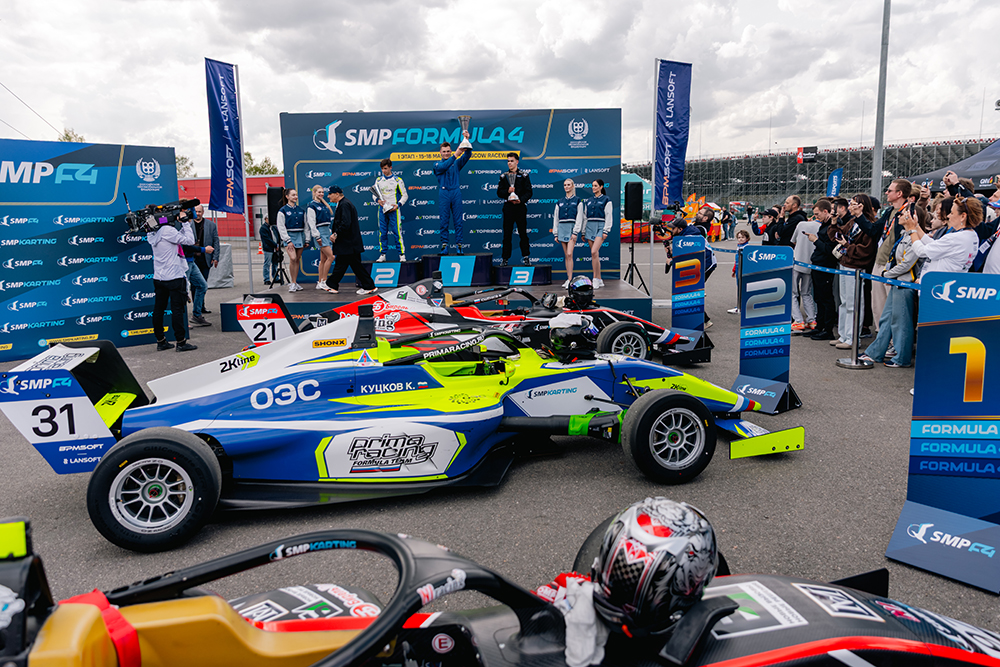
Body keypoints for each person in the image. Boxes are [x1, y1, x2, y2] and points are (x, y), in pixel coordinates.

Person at [861, 205, 926, 368]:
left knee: (901, 322)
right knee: (886, 319)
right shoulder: (904, 234)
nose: (899, 216)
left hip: (904, 284)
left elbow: (907, 264)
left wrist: (886, 274)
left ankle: (902, 358)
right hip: (897, 281)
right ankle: (875, 352)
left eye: (903, 213)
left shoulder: (915, 237)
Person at [829, 194, 878, 350]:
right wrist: (834, 222)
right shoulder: (852, 222)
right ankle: (844, 335)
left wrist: (847, 246)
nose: (850, 206)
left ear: (862, 206)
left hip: (856, 266)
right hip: (845, 262)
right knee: (844, 301)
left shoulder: (869, 224)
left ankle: (852, 337)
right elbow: (837, 235)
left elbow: (866, 250)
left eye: (854, 204)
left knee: (854, 303)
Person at [149, 211, 197, 352]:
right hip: (174, 277)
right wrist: (185, 223)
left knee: (159, 309)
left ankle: (161, 341)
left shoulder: (152, 233)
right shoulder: (168, 230)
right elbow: (190, 240)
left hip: (159, 278)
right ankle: (181, 342)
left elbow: (178, 238)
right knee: (177, 310)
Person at [904, 195, 981, 281]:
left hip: (938, 285)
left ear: (963, 216)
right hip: (952, 282)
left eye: (952, 213)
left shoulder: (955, 238)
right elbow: (935, 245)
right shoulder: (972, 235)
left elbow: (921, 251)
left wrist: (911, 230)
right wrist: (916, 226)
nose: (948, 216)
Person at [325, 185, 377, 295]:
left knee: (348, 265)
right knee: (346, 265)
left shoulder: (344, 204)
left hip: (348, 243)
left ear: (337, 194)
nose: (328, 196)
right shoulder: (343, 203)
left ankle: (333, 284)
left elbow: (346, 223)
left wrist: (335, 234)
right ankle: (332, 285)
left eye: (330, 194)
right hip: (348, 243)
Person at [804, 200, 838, 340]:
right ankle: (820, 326)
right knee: (818, 297)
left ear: (825, 211)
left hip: (825, 265)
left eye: (817, 214)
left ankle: (828, 330)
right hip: (818, 264)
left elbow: (829, 249)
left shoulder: (832, 227)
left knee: (826, 298)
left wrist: (815, 240)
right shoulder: (824, 224)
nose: (816, 217)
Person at [433, 131, 472, 255]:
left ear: (450, 151)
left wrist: (466, 140)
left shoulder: (456, 163)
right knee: (444, 221)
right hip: (444, 193)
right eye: (444, 151)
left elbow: (467, 155)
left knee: (458, 221)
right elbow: (444, 166)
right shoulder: (437, 164)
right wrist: (455, 154)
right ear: (440, 152)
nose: (446, 153)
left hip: (455, 192)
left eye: (448, 151)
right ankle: (444, 246)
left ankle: (459, 245)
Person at [497, 152, 532, 267]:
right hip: (508, 207)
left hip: (520, 207)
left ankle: (526, 257)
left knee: (523, 233)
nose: (509, 163)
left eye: (511, 161)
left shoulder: (524, 176)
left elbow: (529, 192)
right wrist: (507, 191)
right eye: (508, 161)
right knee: (507, 234)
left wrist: (520, 200)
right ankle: (505, 259)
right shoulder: (503, 176)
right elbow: (499, 192)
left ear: (517, 162)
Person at [789, 208, 820, 331]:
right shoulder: (821, 227)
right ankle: (811, 320)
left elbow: (793, 241)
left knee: (792, 293)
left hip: (797, 261)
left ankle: (798, 320)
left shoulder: (801, 224)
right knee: (806, 293)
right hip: (810, 263)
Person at [372, 158, 408, 262]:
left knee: (397, 232)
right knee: (382, 233)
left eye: (385, 168)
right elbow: (374, 194)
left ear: (391, 167)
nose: (384, 171)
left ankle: (402, 255)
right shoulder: (378, 180)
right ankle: (383, 254)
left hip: (394, 210)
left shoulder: (397, 180)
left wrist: (398, 205)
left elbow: (405, 195)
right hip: (382, 210)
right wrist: (378, 200)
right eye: (382, 169)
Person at [553, 178, 584, 289]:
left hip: (572, 228)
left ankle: (570, 280)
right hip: (562, 228)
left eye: (568, 185)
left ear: (572, 186)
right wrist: (555, 233)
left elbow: (579, 217)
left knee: (570, 254)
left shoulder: (578, 200)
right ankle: (568, 278)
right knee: (566, 255)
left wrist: (575, 231)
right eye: (565, 185)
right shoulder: (559, 202)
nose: (566, 187)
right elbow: (556, 218)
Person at [582, 179, 612, 288]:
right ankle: (599, 279)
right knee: (595, 255)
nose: (593, 188)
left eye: (595, 186)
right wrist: (583, 231)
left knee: (594, 251)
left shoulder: (606, 199)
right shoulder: (589, 200)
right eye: (593, 186)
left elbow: (609, 215)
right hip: (590, 226)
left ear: (601, 186)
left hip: (601, 226)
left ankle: (594, 278)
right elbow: (585, 216)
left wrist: (606, 230)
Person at [305, 185, 335, 291]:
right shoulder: (311, 206)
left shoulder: (324, 205)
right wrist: (317, 236)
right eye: (319, 192)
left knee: (323, 259)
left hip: (326, 232)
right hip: (320, 233)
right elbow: (311, 223)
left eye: (322, 192)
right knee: (331, 257)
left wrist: (330, 232)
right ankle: (324, 281)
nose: (321, 194)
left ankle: (320, 281)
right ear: (314, 193)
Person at [180, 230, 213, 328]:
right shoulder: (177, 227)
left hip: (191, 261)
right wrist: (203, 249)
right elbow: (185, 246)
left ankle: (197, 315)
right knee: (183, 291)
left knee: (202, 285)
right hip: (183, 262)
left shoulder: (187, 226)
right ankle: (182, 320)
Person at [275, 188, 306, 292]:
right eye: (293, 195)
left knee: (297, 259)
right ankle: (292, 283)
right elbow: (281, 226)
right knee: (293, 258)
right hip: (289, 236)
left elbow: (306, 226)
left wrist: (307, 239)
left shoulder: (301, 210)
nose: (295, 197)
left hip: (300, 236)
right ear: (287, 196)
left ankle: (295, 282)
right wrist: (288, 240)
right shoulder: (282, 211)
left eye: (296, 195)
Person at [728, 229, 750, 314]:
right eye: (739, 237)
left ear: (747, 238)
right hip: (738, 269)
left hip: (743, 270)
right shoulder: (739, 247)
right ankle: (740, 306)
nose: (740, 239)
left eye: (743, 237)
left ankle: (741, 307)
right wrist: (734, 270)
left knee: (742, 288)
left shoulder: (747, 248)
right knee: (739, 287)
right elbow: (736, 260)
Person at [259, 212, 281, 286]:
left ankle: (276, 277)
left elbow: (277, 236)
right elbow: (267, 239)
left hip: (275, 248)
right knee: (267, 264)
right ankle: (266, 279)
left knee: (275, 264)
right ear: (265, 219)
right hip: (268, 248)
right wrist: (275, 245)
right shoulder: (263, 228)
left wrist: (278, 244)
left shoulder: (274, 227)